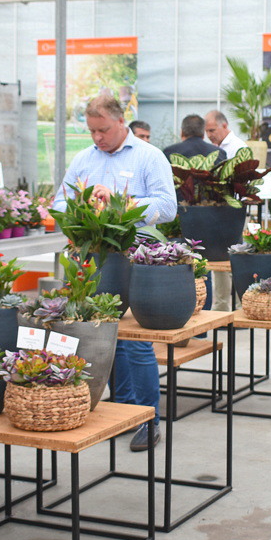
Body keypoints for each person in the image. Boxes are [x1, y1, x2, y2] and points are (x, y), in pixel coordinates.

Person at [54, 95, 176, 451]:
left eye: (103, 130)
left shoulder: (149, 156)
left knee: (136, 341)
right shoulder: (84, 159)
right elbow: (59, 202)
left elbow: (167, 206)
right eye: (92, 131)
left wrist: (121, 204)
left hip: (135, 262)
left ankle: (148, 419)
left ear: (122, 121)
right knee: (106, 338)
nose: (97, 138)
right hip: (93, 263)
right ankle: (123, 410)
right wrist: (83, 202)